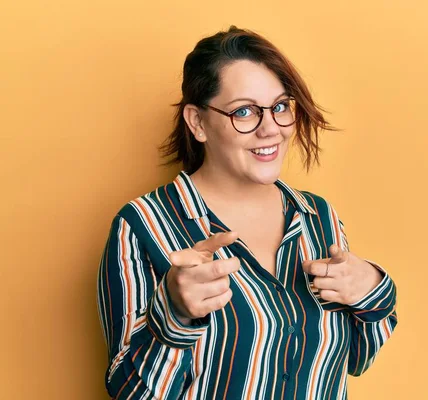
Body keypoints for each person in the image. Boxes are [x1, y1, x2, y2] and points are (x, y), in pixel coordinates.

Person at [97, 26, 397, 400]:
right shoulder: (141, 225)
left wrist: (372, 289)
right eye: (244, 111)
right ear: (197, 123)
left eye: (281, 106)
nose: (270, 129)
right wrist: (174, 316)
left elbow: (355, 358)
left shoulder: (320, 218)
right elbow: (129, 392)